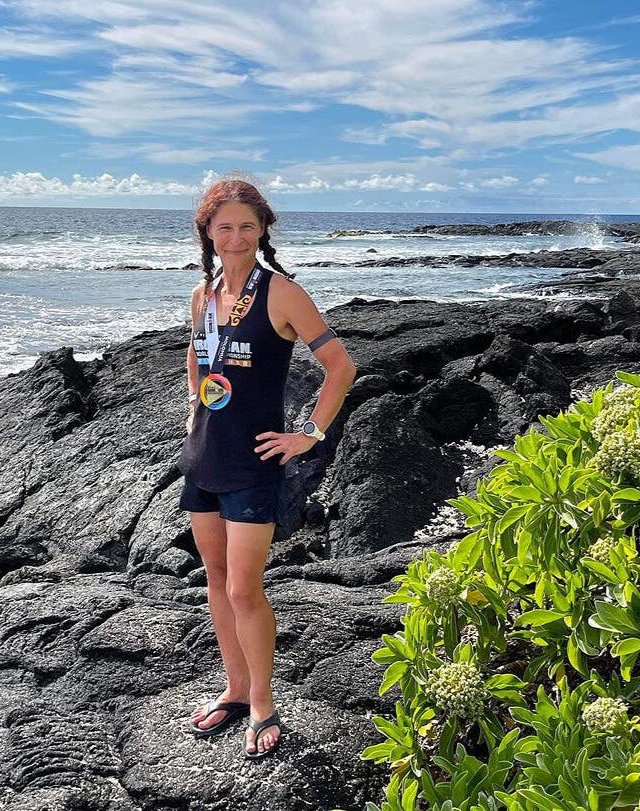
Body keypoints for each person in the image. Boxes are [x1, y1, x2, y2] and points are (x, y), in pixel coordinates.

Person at [177, 178, 356, 760]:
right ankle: (232, 689)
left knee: (243, 588)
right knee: (214, 581)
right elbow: (196, 355)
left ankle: (262, 703)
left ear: (262, 231)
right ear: (208, 232)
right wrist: (191, 415)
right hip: (204, 458)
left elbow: (339, 366)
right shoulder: (203, 294)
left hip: (255, 463)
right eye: (224, 226)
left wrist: (309, 434)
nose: (235, 237)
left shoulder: (282, 293)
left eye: (247, 226)